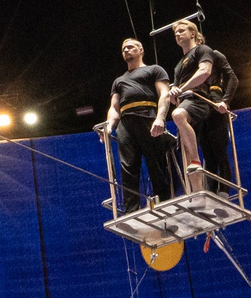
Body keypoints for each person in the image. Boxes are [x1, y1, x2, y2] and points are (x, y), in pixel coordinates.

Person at [100, 37, 181, 212]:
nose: (126, 50)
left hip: (148, 116)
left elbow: (165, 95)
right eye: (123, 49)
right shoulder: (118, 81)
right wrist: (109, 126)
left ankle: (165, 204)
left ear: (141, 49)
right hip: (126, 122)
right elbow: (114, 108)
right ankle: (132, 210)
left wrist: (160, 118)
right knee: (128, 166)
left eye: (130, 47)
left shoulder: (154, 70)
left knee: (156, 164)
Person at [165, 19, 238, 196]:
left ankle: (224, 190)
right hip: (194, 102)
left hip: (211, 101)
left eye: (182, 31)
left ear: (195, 35)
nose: (177, 34)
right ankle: (208, 191)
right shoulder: (181, 65)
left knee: (219, 149)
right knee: (207, 150)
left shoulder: (210, 53)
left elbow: (232, 78)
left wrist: (225, 101)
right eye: (176, 32)